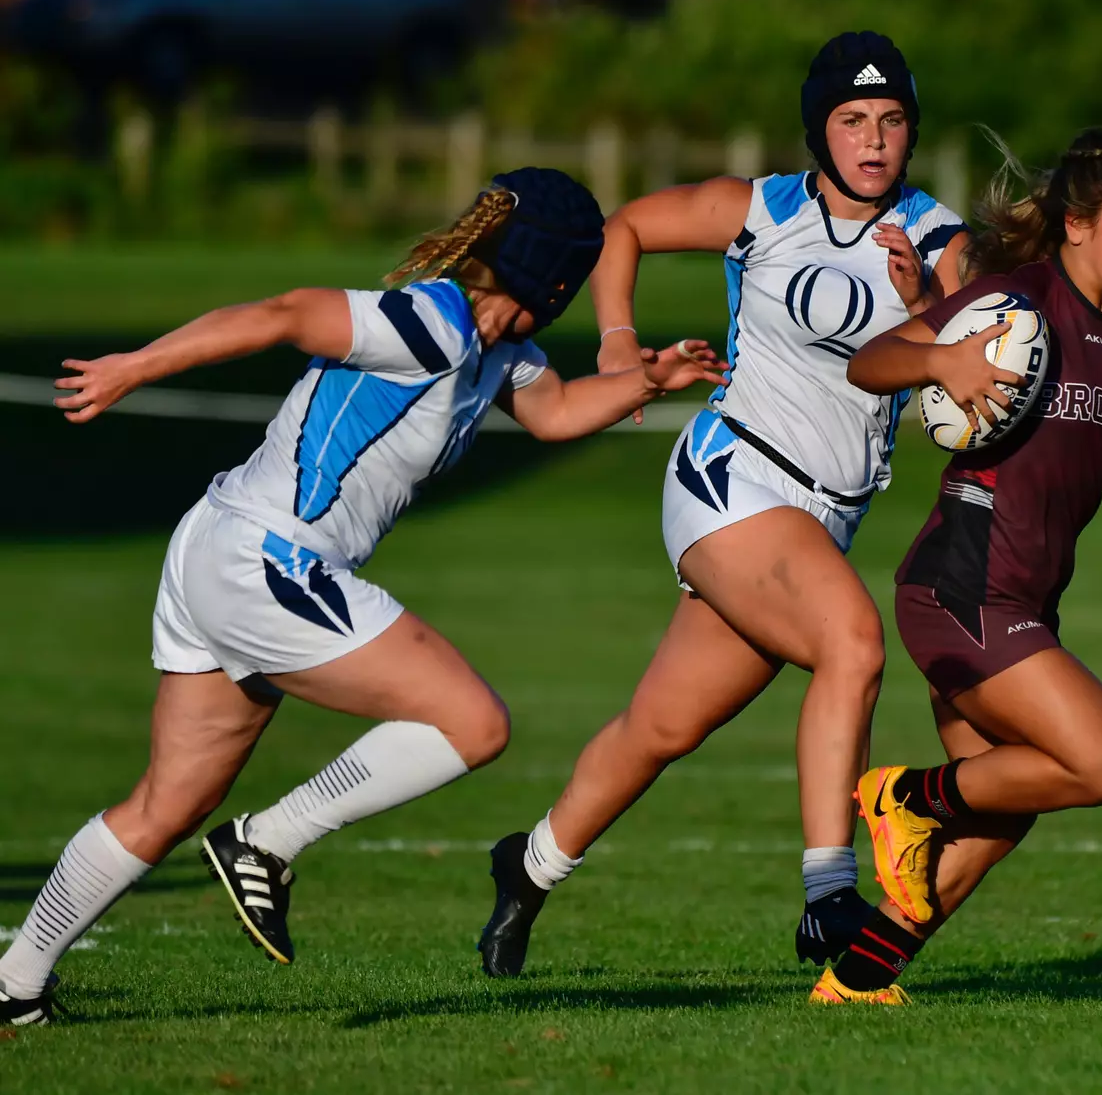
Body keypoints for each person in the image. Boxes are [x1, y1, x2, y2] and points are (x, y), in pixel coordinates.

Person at [0, 168, 725, 1026]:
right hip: (267, 559)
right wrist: (137, 366)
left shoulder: (499, 354)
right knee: (473, 723)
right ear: (560, 280)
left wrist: (653, 377)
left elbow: (558, 410)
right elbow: (283, 313)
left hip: (222, 548)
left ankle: (14, 985)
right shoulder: (433, 323)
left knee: (168, 804)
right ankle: (268, 839)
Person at [477, 31, 972, 978]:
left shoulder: (940, 239)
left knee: (662, 727)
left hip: (823, 517)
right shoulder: (764, 209)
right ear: (819, 131)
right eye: (853, 120)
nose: (874, 141)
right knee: (852, 643)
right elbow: (618, 228)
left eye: (893, 121)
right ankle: (829, 897)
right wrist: (618, 341)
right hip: (731, 476)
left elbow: (982, 349)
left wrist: (927, 308)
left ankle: (528, 865)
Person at [811, 127, 1102, 1004]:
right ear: (1077, 224)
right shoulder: (1012, 302)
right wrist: (941, 358)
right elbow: (874, 364)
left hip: (1022, 599)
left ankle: (856, 980)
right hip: (961, 583)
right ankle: (901, 796)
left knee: (1002, 810)